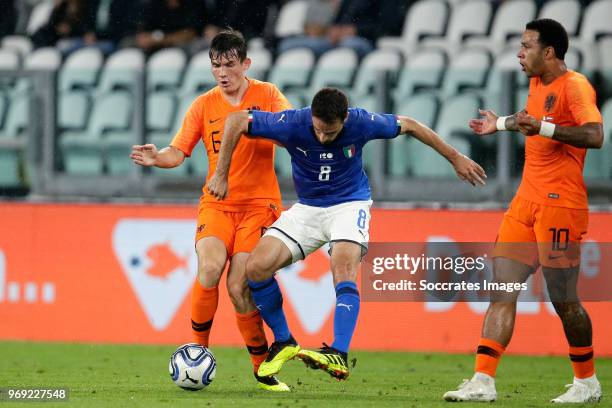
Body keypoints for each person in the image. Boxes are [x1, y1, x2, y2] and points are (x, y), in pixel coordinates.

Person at [206, 87, 486, 381]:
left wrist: (455, 158)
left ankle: (338, 354)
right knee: (255, 268)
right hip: (308, 209)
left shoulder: (362, 122)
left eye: (331, 132)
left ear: (345, 120)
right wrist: (221, 173)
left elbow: (412, 125)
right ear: (311, 117)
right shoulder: (292, 122)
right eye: (319, 131)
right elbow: (236, 120)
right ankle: (285, 341)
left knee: (342, 267)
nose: (324, 137)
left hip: (349, 205)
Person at [443, 19, 603, 404]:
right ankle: (483, 381)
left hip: (560, 206)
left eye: (526, 46)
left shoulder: (575, 85)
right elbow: (528, 121)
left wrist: (545, 130)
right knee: (502, 289)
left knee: (563, 299)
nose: (519, 52)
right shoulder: (536, 83)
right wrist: (497, 124)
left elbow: (595, 135)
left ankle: (587, 382)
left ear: (549, 52)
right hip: (525, 203)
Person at [130, 29, 292, 392]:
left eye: (230, 64)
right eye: (216, 65)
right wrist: (159, 158)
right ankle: (196, 352)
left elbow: (291, 128)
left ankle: (261, 369)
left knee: (239, 285)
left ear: (245, 64)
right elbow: (178, 152)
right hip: (217, 204)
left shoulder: (267, 95)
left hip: (259, 206)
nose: (222, 72)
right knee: (210, 267)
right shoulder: (203, 105)